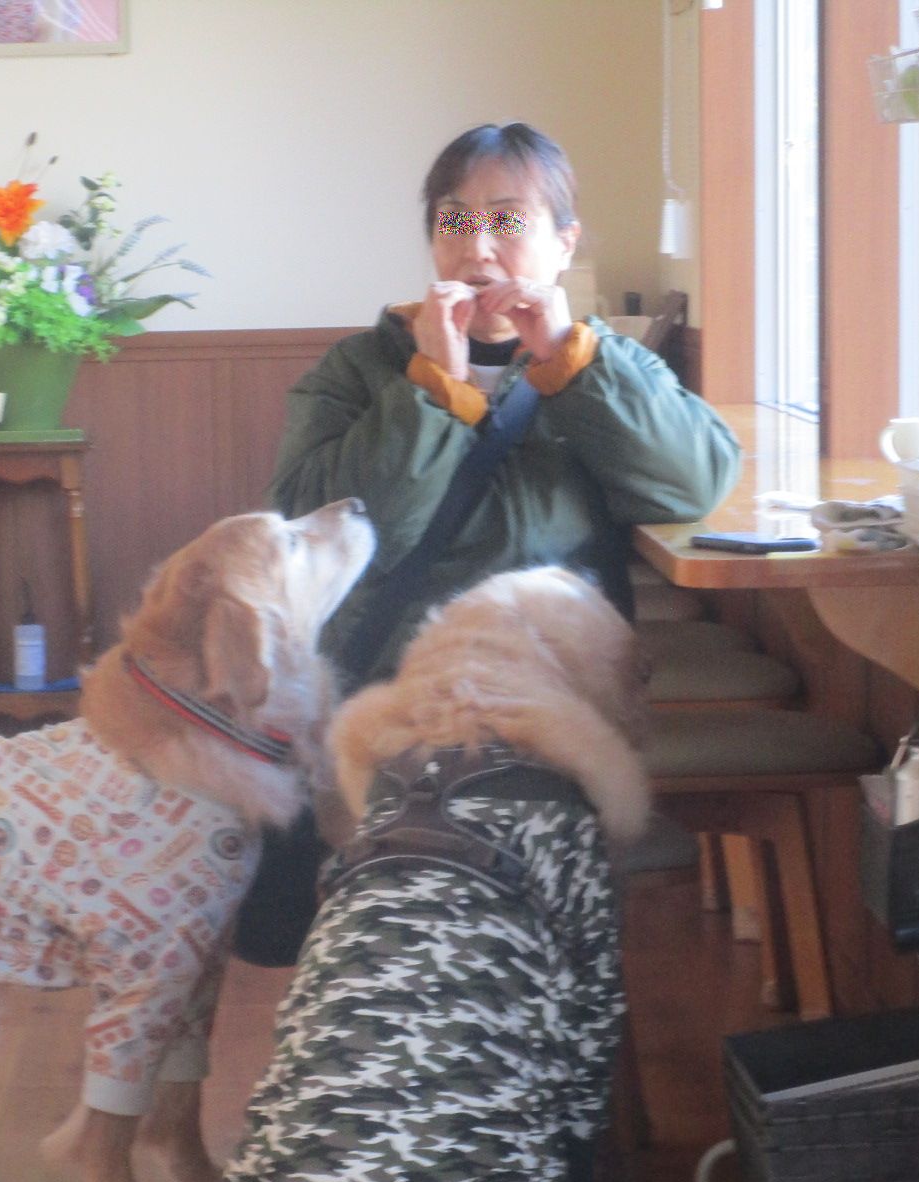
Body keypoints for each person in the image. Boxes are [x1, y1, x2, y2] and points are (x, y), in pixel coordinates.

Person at [232, 121, 742, 967]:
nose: (478, 247)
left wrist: (571, 365)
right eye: (455, 221)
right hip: (393, 701)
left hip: (556, 702)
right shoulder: (358, 370)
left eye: (508, 221)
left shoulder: (605, 362)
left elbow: (691, 482)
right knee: (406, 943)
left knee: (540, 944)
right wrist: (434, 389)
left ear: (564, 242)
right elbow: (322, 530)